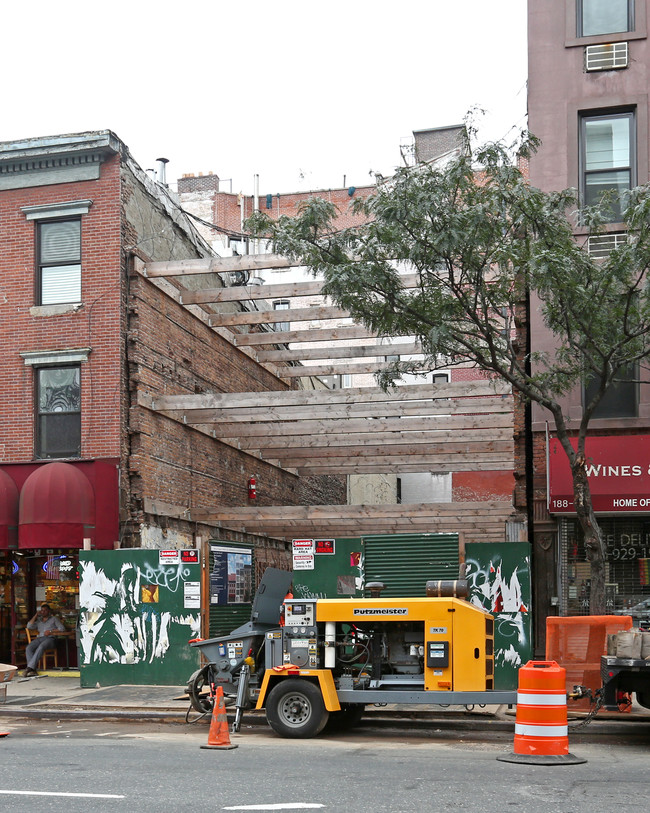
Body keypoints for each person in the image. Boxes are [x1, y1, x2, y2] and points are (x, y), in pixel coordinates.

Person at [24, 604, 65, 676]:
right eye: (42, 610)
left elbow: (62, 628)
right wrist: (36, 615)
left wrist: (51, 632)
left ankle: (30, 668)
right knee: (29, 648)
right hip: (40, 638)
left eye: (45, 610)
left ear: (49, 611)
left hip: (51, 639)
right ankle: (32, 669)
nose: (43, 612)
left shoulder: (54, 619)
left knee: (41, 646)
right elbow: (29, 626)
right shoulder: (39, 621)